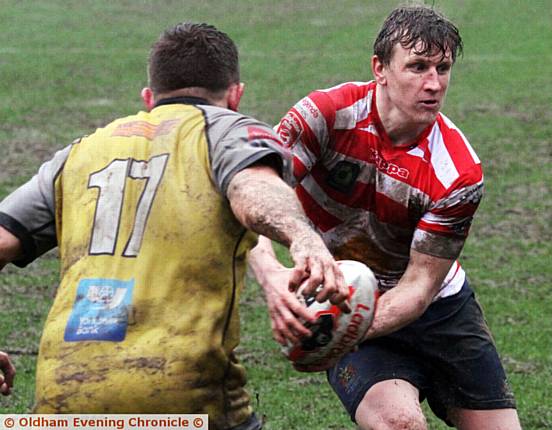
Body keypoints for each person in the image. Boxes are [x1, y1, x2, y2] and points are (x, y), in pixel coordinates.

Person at [0, 22, 349, 429]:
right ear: (235, 96)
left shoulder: (77, 154)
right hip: (180, 395)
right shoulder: (227, 129)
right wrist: (302, 236)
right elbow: (254, 188)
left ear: (149, 98)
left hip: (64, 397)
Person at [249, 6, 522, 430]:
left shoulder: (458, 173)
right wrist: (271, 275)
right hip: (346, 293)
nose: (433, 84)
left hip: (441, 311)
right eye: (417, 66)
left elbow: (419, 287)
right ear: (380, 68)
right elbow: (258, 194)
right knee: (399, 424)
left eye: (442, 68)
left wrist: (343, 328)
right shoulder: (324, 116)